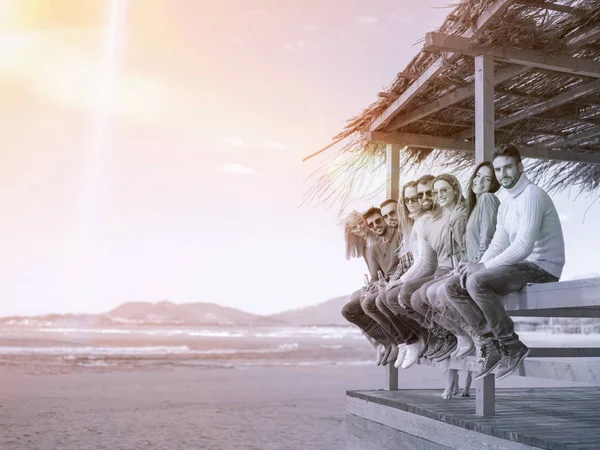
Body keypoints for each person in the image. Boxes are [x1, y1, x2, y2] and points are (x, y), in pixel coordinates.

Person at [444, 145, 565, 381]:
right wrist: (475, 265)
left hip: (542, 266)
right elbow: (499, 243)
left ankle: (511, 345)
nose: (503, 174)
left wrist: (483, 268)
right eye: (498, 170)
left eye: (508, 167)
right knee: (454, 286)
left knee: (478, 281)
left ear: (520, 167)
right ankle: (490, 344)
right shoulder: (507, 202)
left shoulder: (532, 195)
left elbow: (523, 246)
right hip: (521, 266)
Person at [431, 161, 500, 358]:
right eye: (478, 176)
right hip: (474, 266)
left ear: (493, 184)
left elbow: (487, 238)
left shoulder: (487, 199)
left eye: (487, 179)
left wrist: (476, 266)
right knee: (443, 289)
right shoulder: (476, 206)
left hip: (483, 267)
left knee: (449, 288)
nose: (479, 181)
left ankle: (484, 337)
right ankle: (475, 337)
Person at [404, 174, 468, 362]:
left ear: (454, 189)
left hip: (454, 270)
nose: (424, 198)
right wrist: (399, 282)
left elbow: (463, 249)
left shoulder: (455, 215)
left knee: (421, 294)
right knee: (411, 297)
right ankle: (444, 335)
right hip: (443, 270)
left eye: (428, 194)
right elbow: (426, 260)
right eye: (420, 195)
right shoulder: (424, 223)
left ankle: (461, 333)